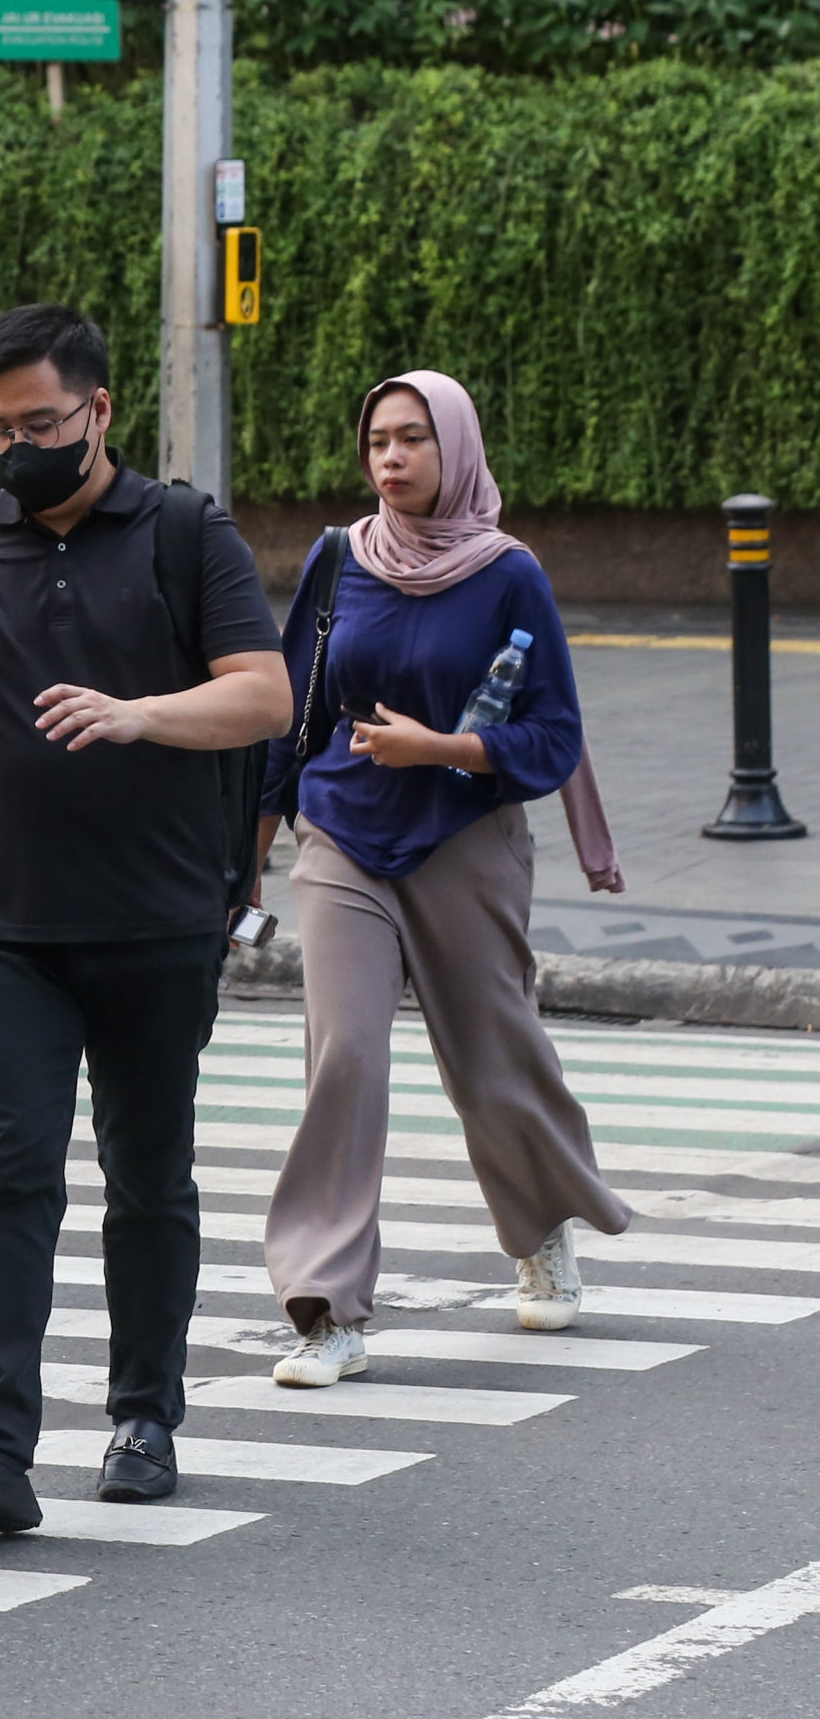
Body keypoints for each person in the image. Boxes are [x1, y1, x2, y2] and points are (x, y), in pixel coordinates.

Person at [0, 305, 290, 1533]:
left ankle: (144, 1409)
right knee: (9, 1173)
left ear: (99, 411)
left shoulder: (181, 532)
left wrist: (138, 712)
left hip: (159, 917)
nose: (17, 449)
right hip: (6, 926)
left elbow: (262, 698)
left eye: (40, 423)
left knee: (147, 1173)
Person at [258, 372, 633, 1386]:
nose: (390, 457)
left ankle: (541, 1226)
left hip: (466, 832)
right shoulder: (341, 559)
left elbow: (554, 733)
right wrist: (250, 848)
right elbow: (292, 712)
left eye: (412, 438)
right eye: (376, 438)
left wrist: (446, 748)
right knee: (347, 1057)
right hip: (341, 830)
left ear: (454, 446)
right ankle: (326, 1308)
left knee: (494, 1054)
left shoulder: (508, 573)